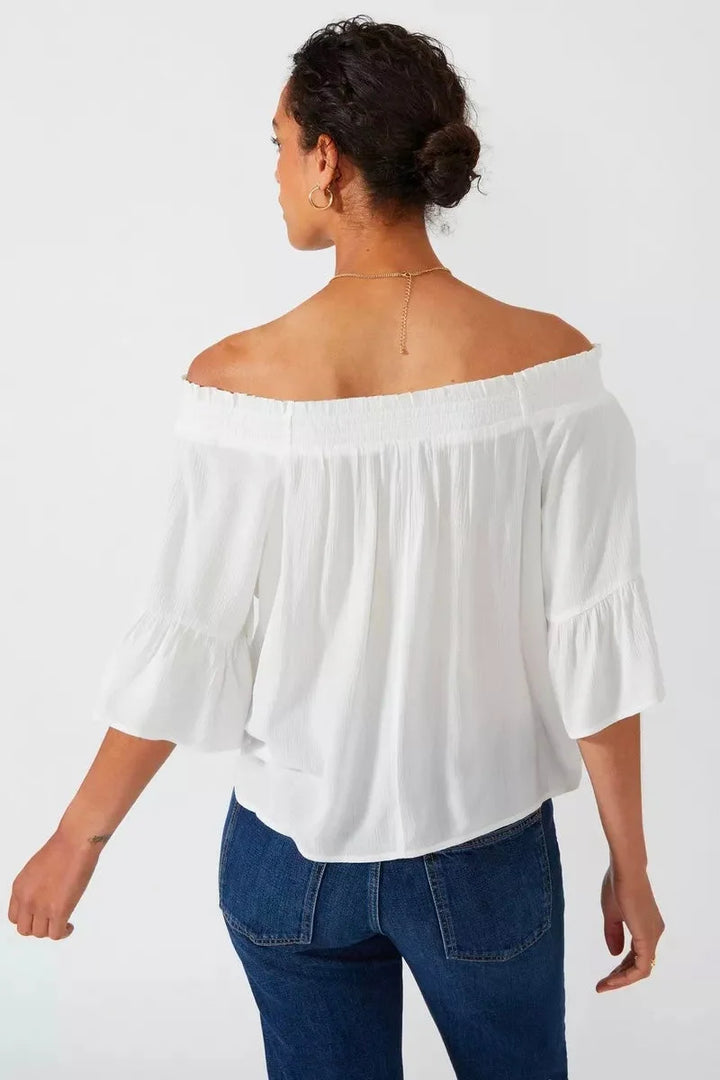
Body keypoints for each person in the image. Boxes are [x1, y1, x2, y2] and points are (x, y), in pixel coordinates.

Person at [8, 15, 667, 1080]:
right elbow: (593, 646)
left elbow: (189, 633)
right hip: (487, 855)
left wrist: (78, 838)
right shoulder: (555, 373)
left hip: (288, 856)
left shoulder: (239, 382)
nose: (274, 173)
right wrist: (631, 862)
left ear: (327, 160)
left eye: (278, 145)